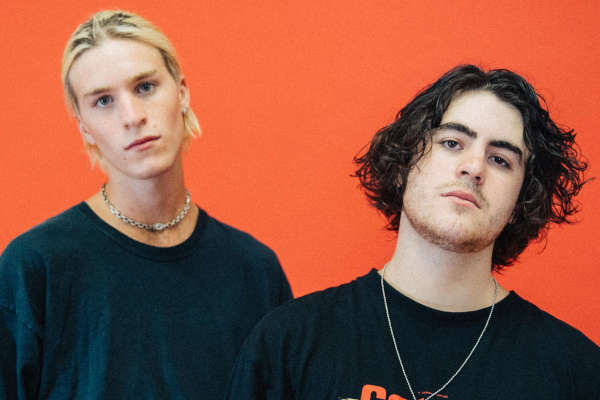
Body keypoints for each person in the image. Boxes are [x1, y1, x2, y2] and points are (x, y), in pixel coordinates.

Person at [225, 65, 600, 399]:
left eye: (500, 159)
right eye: (452, 143)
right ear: (404, 164)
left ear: (521, 200)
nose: (474, 167)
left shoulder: (577, 373)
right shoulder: (288, 344)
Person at [0, 10, 292, 399]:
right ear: (84, 127)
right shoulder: (35, 267)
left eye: (145, 87)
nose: (132, 116)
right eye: (103, 100)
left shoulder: (255, 271)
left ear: (182, 93)